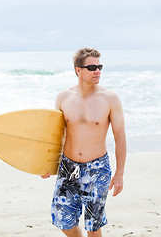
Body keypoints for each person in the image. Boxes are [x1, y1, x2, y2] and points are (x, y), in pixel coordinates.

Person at [41, 48, 126, 237]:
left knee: (93, 226)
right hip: (68, 168)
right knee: (63, 220)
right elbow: (56, 135)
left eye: (99, 67)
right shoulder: (64, 97)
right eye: (92, 67)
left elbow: (120, 137)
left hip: (97, 169)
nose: (98, 71)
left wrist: (119, 173)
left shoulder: (110, 99)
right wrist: (46, 164)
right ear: (78, 70)